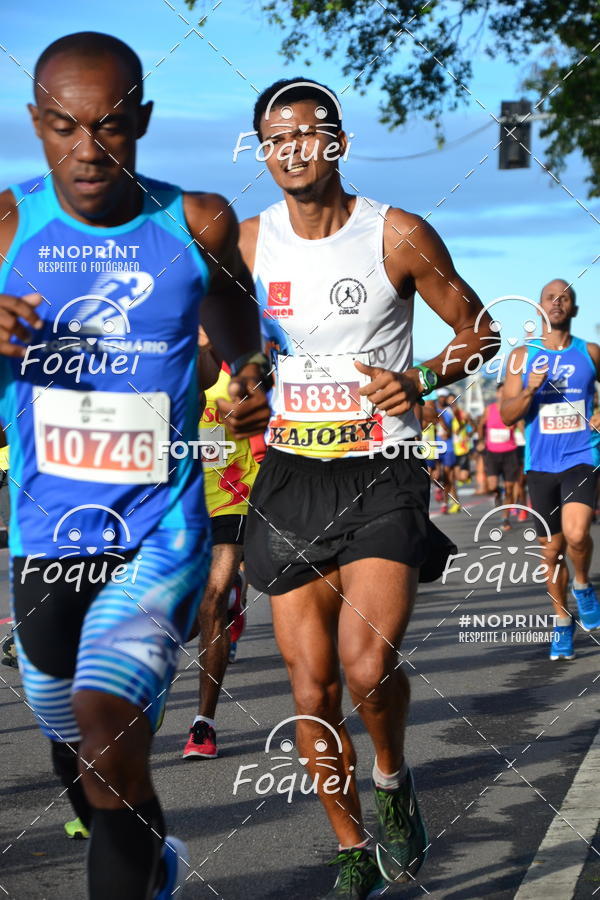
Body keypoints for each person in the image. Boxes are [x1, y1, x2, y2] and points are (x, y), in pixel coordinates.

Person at [0, 32, 270, 898]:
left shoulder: (196, 221)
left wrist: (248, 371)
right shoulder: (8, 222)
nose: (88, 150)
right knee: (71, 724)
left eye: (110, 127)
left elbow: (233, 307)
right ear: (37, 124)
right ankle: (149, 855)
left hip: (163, 526)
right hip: (47, 528)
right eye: (64, 127)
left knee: (105, 718)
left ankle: (133, 873)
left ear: (143, 121)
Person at [239, 78, 494, 897]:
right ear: (261, 149)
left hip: (380, 466)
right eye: (275, 139)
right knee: (309, 685)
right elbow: (232, 347)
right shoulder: (246, 243)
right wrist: (241, 381)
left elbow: (479, 329)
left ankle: (391, 779)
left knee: (365, 666)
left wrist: (418, 379)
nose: (293, 151)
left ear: (337, 142)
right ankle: (350, 847)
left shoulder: (397, 233)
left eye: (308, 135)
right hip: (288, 475)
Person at [501, 278, 600, 661]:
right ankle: (562, 621)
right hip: (540, 464)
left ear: (573, 309)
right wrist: (530, 390)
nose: (557, 302)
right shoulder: (521, 358)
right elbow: (508, 415)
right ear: (539, 309)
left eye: (565, 298)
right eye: (550, 298)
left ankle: (582, 584)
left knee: (576, 535)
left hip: (581, 455)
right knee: (551, 552)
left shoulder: (589, 352)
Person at [182, 329, 258, 759]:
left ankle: (203, 725)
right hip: (178, 502)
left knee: (211, 603)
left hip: (233, 496)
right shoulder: (160, 359)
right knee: (181, 620)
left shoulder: (238, 366)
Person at [480, 383, 521, 529]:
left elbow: (521, 425)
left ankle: (505, 519)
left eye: (506, 392)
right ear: (497, 394)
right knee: (492, 486)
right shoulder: (489, 409)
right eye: (501, 392)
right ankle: (497, 493)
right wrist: (480, 440)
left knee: (510, 489)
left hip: (510, 452)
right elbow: (481, 425)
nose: (503, 395)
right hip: (492, 452)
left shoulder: (513, 410)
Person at [436, 389, 460, 513]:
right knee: (434, 475)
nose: (442, 399)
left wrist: (449, 432)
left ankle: (445, 503)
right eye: (440, 397)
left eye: (444, 397)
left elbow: (458, 427)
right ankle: (438, 489)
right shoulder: (432, 410)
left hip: (448, 447)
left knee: (447, 477)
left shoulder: (450, 411)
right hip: (434, 446)